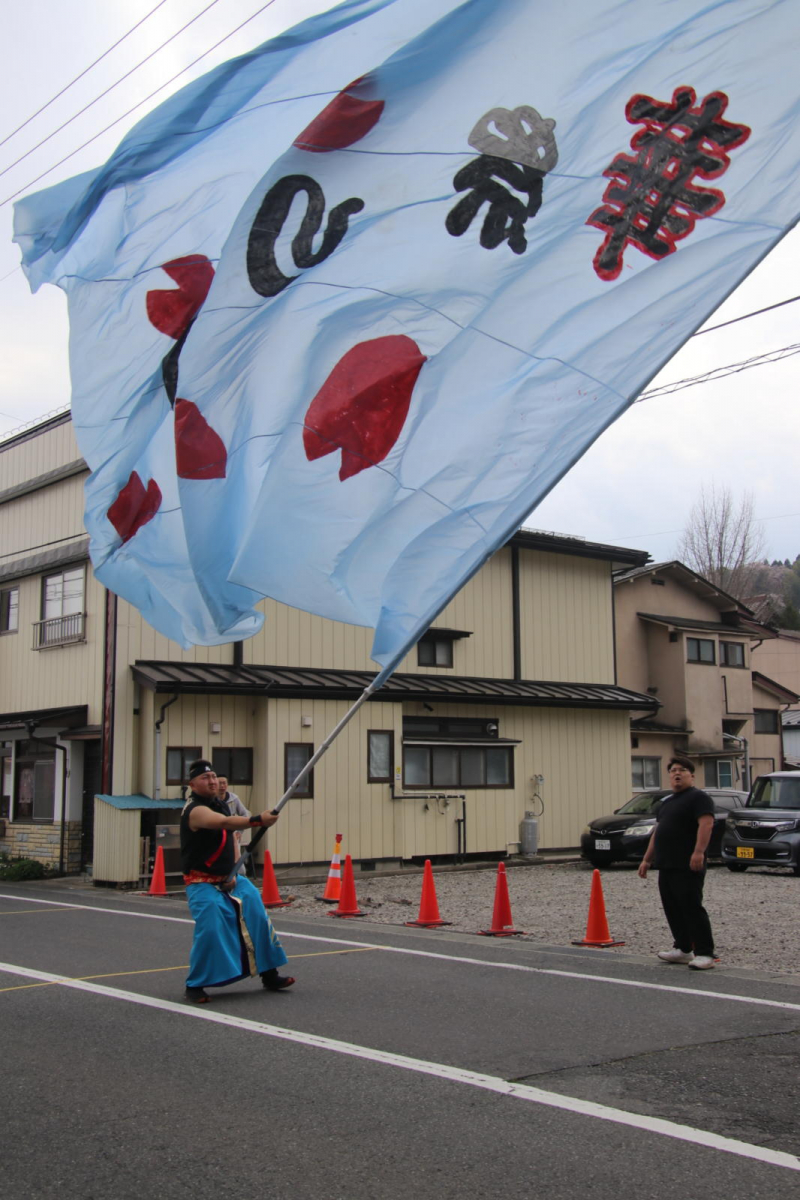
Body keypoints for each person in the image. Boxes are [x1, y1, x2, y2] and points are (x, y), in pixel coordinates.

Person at [181, 759, 295, 1003]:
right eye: (205, 778)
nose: (212, 781)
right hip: (201, 881)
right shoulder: (195, 809)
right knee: (211, 927)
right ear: (192, 784)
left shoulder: (221, 804)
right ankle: (195, 984)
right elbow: (223, 823)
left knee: (258, 916)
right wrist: (257, 820)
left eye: (213, 776)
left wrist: (235, 871)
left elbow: (231, 836)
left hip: (231, 877)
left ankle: (269, 973)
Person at [638, 755, 716, 970]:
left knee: (691, 907)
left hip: (688, 864)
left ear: (691, 775)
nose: (677, 773)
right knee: (672, 907)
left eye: (682, 770)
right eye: (673, 771)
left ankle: (705, 953)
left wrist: (699, 852)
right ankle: (683, 949)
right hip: (666, 864)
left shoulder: (698, 798)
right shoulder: (667, 802)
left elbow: (706, 824)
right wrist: (646, 859)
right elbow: (658, 831)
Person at [217, 775, 254, 876]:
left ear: (227, 784)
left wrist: (239, 831)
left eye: (224, 783)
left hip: (232, 834)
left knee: (236, 858)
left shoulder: (234, 798)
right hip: (217, 834)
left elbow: (245, 815)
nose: (222, 786)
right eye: (219, 783)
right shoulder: (212, 799)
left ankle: (241, 878)